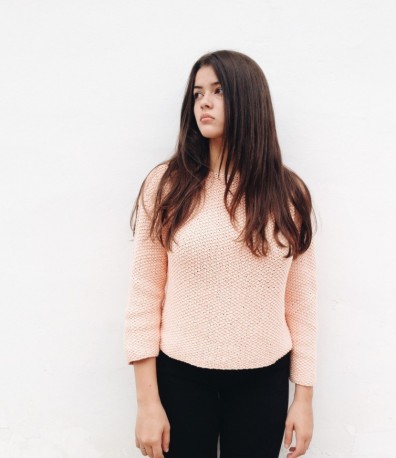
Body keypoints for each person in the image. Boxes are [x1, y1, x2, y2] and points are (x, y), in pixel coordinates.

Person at [123, 49, 318, 458]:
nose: (204, 103)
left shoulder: (288, 194)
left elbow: (301, 304)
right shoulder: (167, 186)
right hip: (180, 378)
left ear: (248, 100)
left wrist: (304, 398)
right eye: (197, 94)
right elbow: (144, 296)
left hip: (264, 379)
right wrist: (146, 403)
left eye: (217, 91)